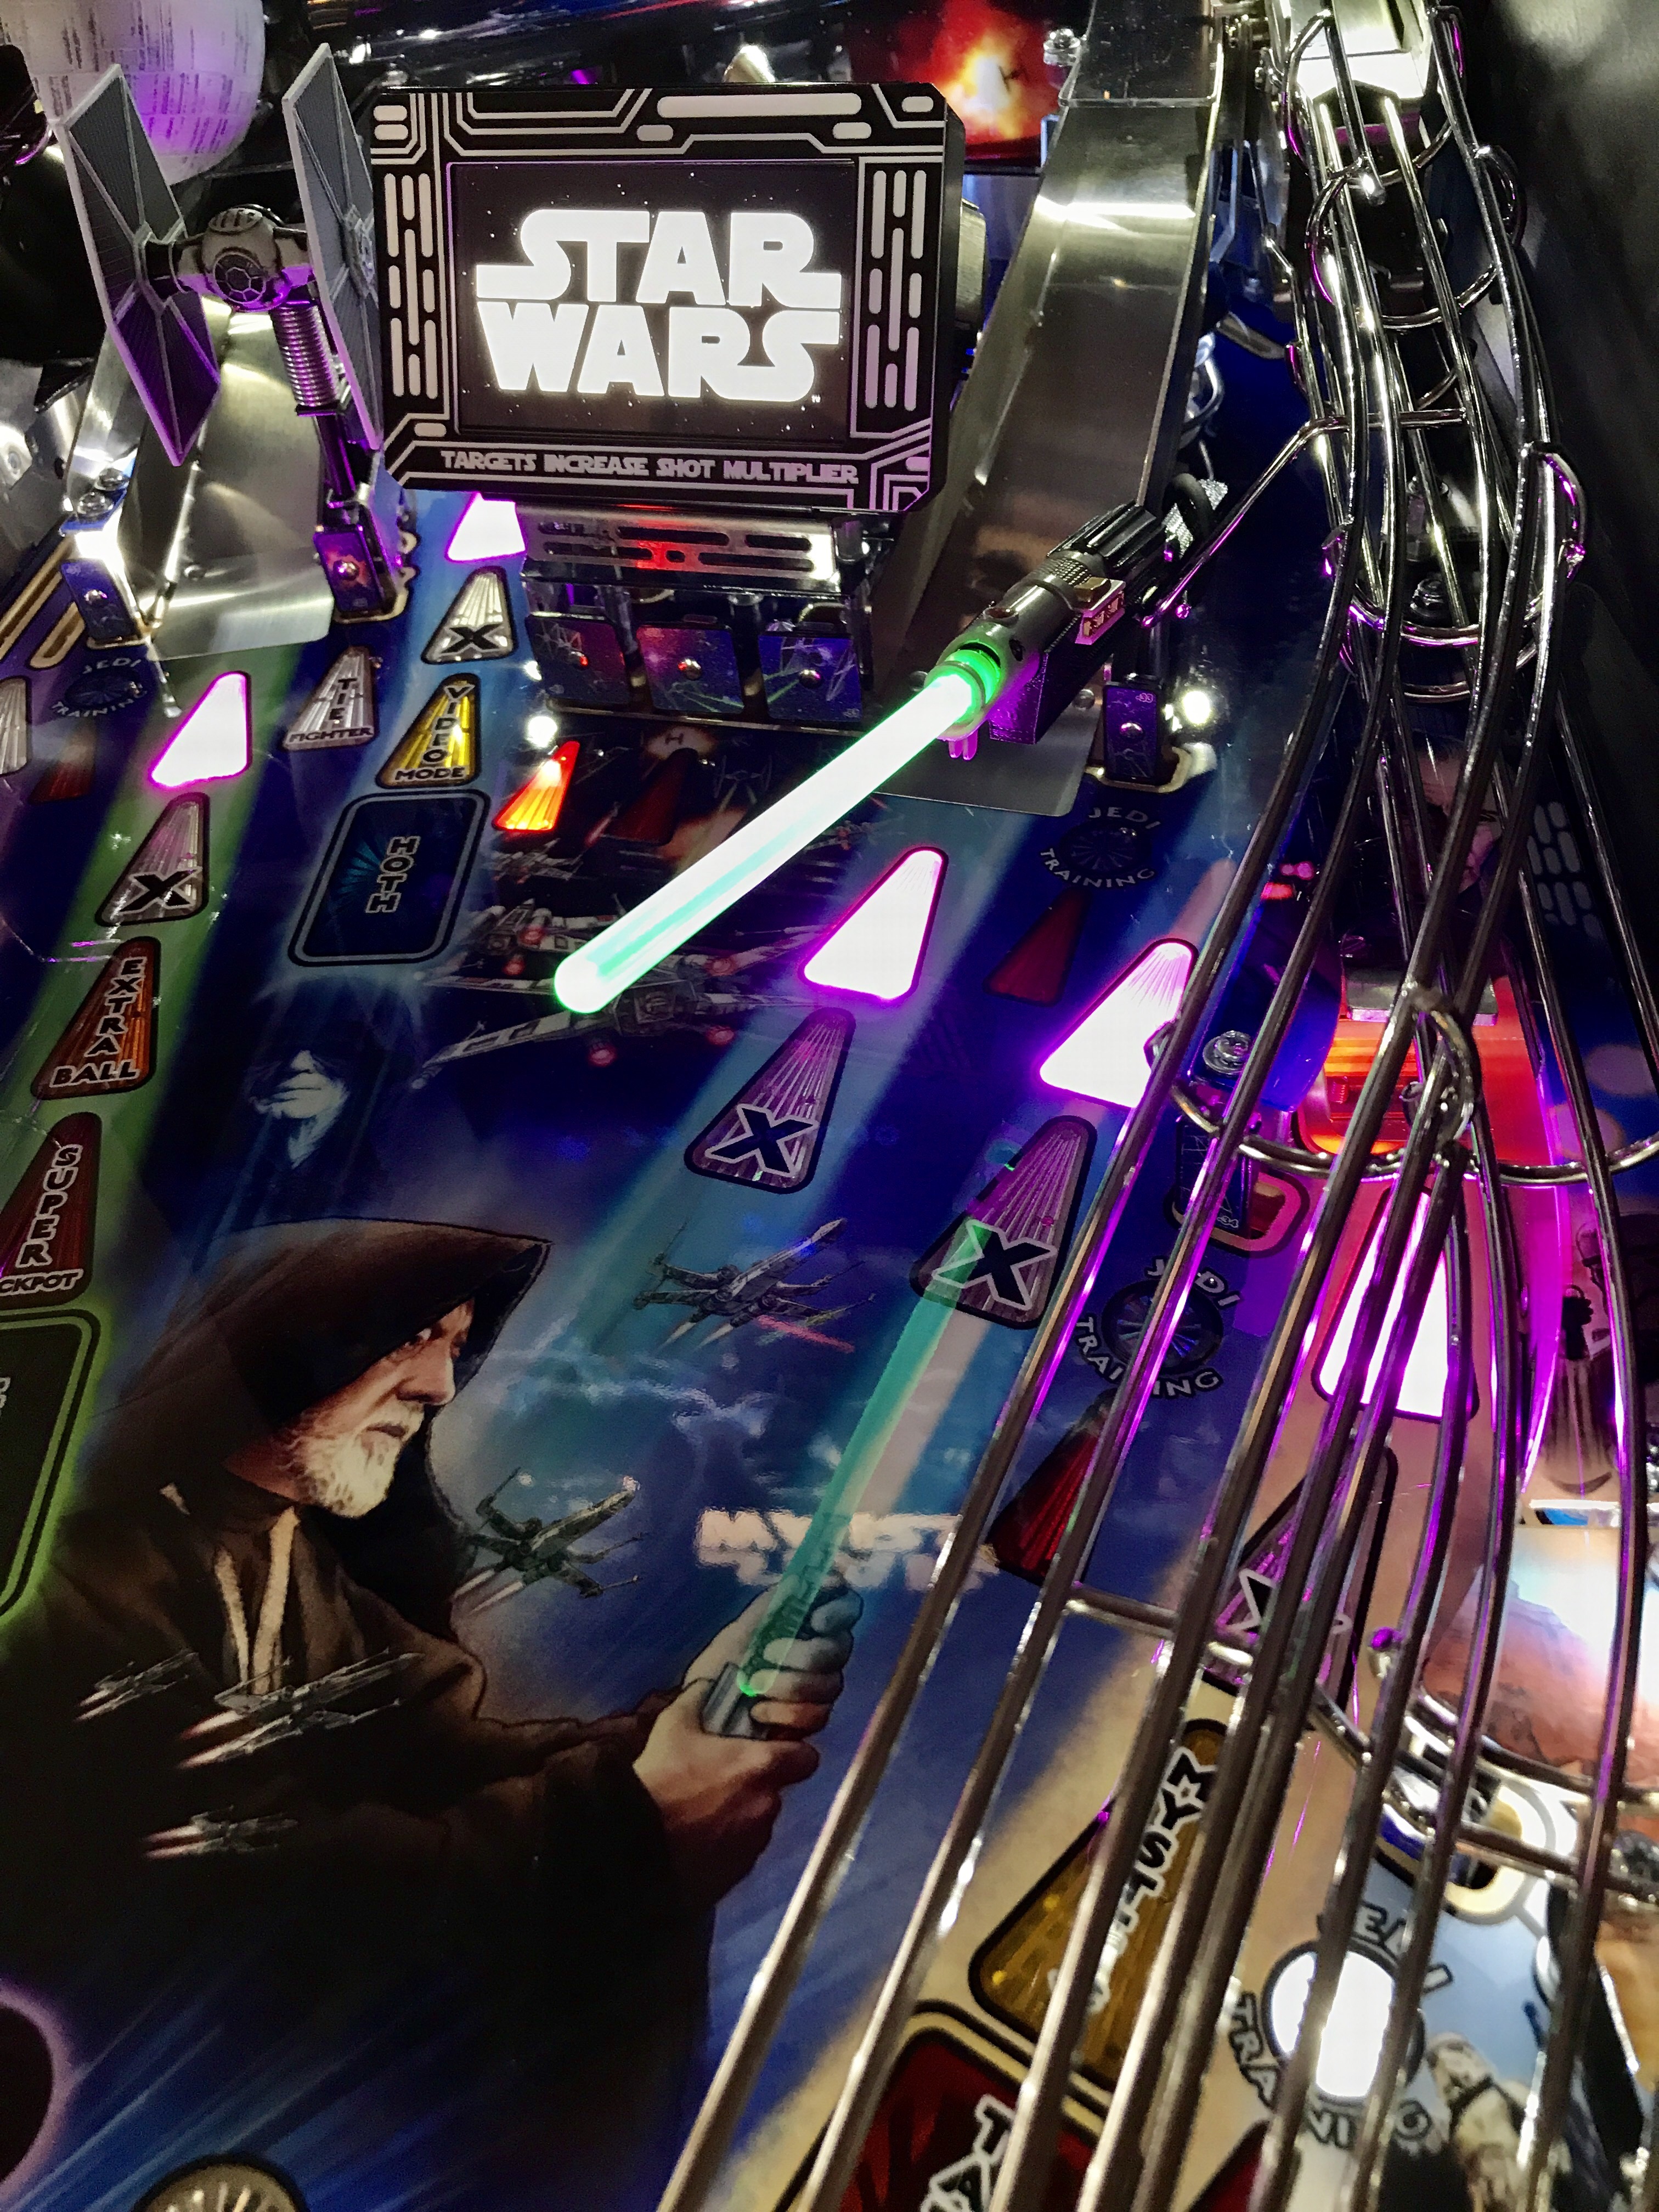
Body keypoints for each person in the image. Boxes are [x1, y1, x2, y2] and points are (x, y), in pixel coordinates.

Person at [0, 1217, 856, 2188]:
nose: (439, 1386)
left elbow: (434, 1752)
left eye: (455, 1345)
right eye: (412, 1337)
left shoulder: (306, 1572)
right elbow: (239, 1887)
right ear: (295, 1341)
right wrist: (625, 1820)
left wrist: (691, 1716)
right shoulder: (80, 1586)